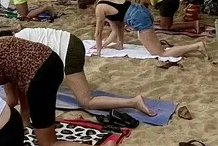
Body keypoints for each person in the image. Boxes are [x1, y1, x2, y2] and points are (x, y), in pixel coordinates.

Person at [0, 36, 128, 146]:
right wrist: (23, 119)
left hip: (40, 75)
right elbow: (13, 98)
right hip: (51, 62)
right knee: (40, 116)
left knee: (47, 145)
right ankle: (29, 122)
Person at [10, 24, 155, 117]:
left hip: (69, 51)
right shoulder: (23, 33)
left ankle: (133, 102)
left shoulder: (16, 48)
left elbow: (21, 92)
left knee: (87, 101)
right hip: (71, 41)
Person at [81, 0, 206, 62]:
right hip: (140, 12)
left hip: (139, 18)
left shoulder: (99, 9)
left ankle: (197, 46)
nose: (87, 14)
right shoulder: (104, 2)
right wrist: (104, 45)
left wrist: (98, 51)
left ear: (88, 6)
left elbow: (98, 33)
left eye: (85, 11)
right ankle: (120, 44)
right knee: (150, 43)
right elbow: (116, 29)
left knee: (160, 53)